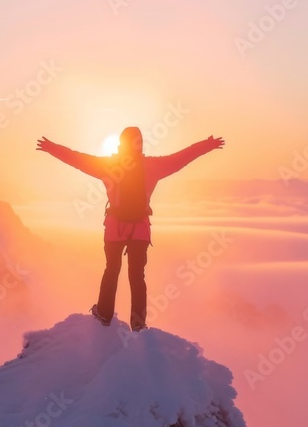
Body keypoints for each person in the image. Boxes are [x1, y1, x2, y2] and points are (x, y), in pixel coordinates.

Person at [37, 127, 224, 331]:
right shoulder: (153, 166)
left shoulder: (109, 166)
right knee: (137, 276)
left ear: (121, 144)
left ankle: (104, 315)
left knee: (111, 270)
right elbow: (182, 157)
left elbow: (78, 159)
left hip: (115, 228)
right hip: (140, 229)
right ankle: (138, 323)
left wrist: (51, 148)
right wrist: (207, 145)